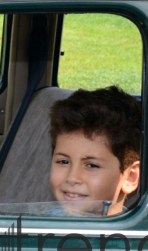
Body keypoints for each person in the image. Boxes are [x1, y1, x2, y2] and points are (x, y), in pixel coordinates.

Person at [48, 85, 142, 216]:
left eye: (92, 165)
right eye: (64, 162)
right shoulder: (37, 227)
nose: (72, 178)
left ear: (130, 177)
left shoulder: (132, 236)